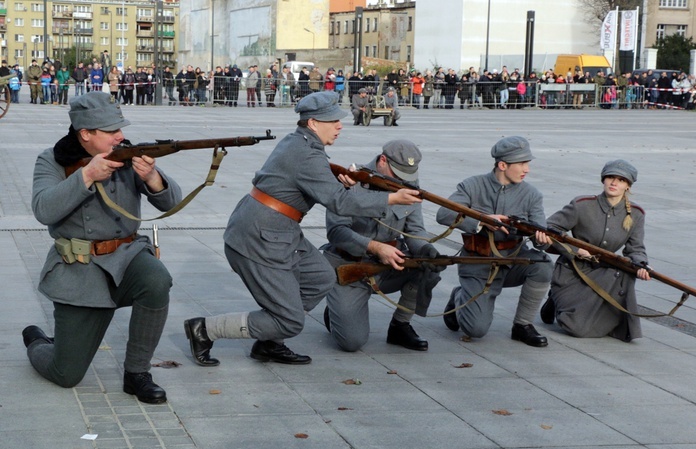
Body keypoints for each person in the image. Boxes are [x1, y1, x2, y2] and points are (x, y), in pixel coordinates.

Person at [183, 91, 421, 367]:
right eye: (332, 121)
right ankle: (204, 330)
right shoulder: (306, 153)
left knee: (320, 276)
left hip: (277, 229)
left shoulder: (301, 144)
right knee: (290, 320)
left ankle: (269, 342)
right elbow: (339, 202)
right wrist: (391, 198)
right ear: (313, 123)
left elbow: (320, 187)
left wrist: (337, 183)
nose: (340, 125)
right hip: (259, 236)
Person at [23, 91, 183, 403]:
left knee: (156, 279)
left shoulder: (126, 155)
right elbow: (43, 210)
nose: (120, 136)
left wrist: (152, 177)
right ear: (85, 134)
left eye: (120, 128)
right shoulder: (51, 160)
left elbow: (172, 202)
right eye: (111, 131)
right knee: (66, 374)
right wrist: (86, 176)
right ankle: (37, 342)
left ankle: (137, 373)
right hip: (78, 270)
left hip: (127, 258)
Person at [321, 140, 442, 352]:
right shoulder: (349, 180)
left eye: (408, 176)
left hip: (388, 266)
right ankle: (336, 311)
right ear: (382, 161)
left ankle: (400, 326)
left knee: (427, 267)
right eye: (398, 175)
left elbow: (414, 230)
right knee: (352, 343)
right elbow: (336, 232)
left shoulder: (408, 185)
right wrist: (375, 247)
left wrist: (425, 249)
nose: (403, 182)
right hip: (349, 267)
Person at [436, 136, 553, 346]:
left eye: (527, 163)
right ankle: (459, 296)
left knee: (543, 266)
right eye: (522, 164)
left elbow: (540, 234)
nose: (527, 169)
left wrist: (542, 241)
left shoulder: (532, 194)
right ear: (502, 165)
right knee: (476, 330)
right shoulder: (472, 186)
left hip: (513, 260)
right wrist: (482, 221)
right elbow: (443, 214)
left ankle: (522, 325)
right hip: (478, 263)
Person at [540, 160, 649, 342]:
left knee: (625, 271)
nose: (614, 183)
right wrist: (576, 250)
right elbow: (549, 227)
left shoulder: (636, 214)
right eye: (610, 178)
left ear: (628, 186)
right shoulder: (581, 205)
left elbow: (635, 248)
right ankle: (556, 300)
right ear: (603, 180)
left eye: (621, 180)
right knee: (576, 328)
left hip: (604, 273)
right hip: (572, 272)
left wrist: (641, 265)